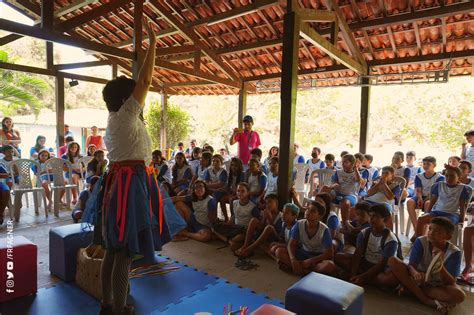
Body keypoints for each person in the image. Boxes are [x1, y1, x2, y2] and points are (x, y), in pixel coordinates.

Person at [92, 21, 185, 315]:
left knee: (113, 250)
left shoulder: (116, 121)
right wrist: (154, 44)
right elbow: (144, 82)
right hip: (128, 187)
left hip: (123, 184)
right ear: (125, 100)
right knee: (122, 253)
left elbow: (139, 85)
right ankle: (119, 309)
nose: (140, 99)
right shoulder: (125, 116)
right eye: (133, 96)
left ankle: (108, 305)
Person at [388, 217, 465, 313]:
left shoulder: (454, 252)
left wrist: (439, 263)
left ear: (448, 237)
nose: (431, 233)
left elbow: (450, 281)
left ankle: (411, 289)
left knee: (459, 295)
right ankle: (426, 300)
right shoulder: (421, 241)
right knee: (392, 261)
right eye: (430, 229)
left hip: (435, 285)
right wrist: (415, 273)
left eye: (437, 232)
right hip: (416, 279)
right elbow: (411, 265)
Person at [335, 204, 399, 287]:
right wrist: (353, 275)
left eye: (376, 216)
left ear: (385, 219)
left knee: (390, 279)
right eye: (370, 215)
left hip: (380, 269)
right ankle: (366, 279)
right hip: (365, 263)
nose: (371, 219)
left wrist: (362, 277)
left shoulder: (391, 240)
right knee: (338, 256)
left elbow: (382, 264)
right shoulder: (364, 233)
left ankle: (364, 278)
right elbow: (357, 255)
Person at [275, 200, 336, 276]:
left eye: (312, 211)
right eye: (307, 209)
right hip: (303, 253)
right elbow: (291, 244)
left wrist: (310, 261)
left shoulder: (324, 230)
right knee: (279, 252)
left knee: (329, 265)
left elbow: (329, 254)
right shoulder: (299, 224)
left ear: (319, 216)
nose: (307, 212)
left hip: (317, 257)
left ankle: (298, 269)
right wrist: (293, 260)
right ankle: (307, 272)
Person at [413, 166, 471, 239]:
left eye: (452, 176)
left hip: (452, 214)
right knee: (421, 219)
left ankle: (438, 243)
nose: (448, 178)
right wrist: (427, 212)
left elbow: (462, 206)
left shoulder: (462, 189)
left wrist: (461, 220)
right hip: (437, 212)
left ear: (458, 177)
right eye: (446, 176)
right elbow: (432, 201)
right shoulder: (439, 185)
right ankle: (420, 241)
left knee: (441, 225)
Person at [213, 182, 260, 252]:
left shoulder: (252, 207)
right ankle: (230, 241)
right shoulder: (234, 202)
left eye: (243, 191)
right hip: (235, 228)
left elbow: (256, 224)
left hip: (244, 230)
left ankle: (230, 241)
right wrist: (227, 224)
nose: (239, 193)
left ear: (248, 193)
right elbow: (235, 216)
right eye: (238, 191)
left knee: (236, 239)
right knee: (214, 227)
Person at [406, 156, 445, 236]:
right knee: (410, 202)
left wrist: (424, 200)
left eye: (428, 164)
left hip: (433, 197)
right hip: (421, 195)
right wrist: (420, 198)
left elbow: (435, 193)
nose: (425, 166)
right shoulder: (419, 176)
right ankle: (417, 229)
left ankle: (423, 232)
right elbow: (418, 189)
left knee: (428, 203)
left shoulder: (439, 177)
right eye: (424, 164)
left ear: (434, 165)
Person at [321, 154, 362, 226]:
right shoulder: (338, 172)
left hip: (350, 195)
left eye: (345, 162)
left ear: (352, 163)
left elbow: (358, 180)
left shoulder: (356, 173)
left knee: (345, 202)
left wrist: (355, 168)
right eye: (342, 162)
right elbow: (335, 182)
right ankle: (321, 216)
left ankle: (345, 224)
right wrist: (332, 187)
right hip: (337, 193)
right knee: (324, 189)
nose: (343, 164)